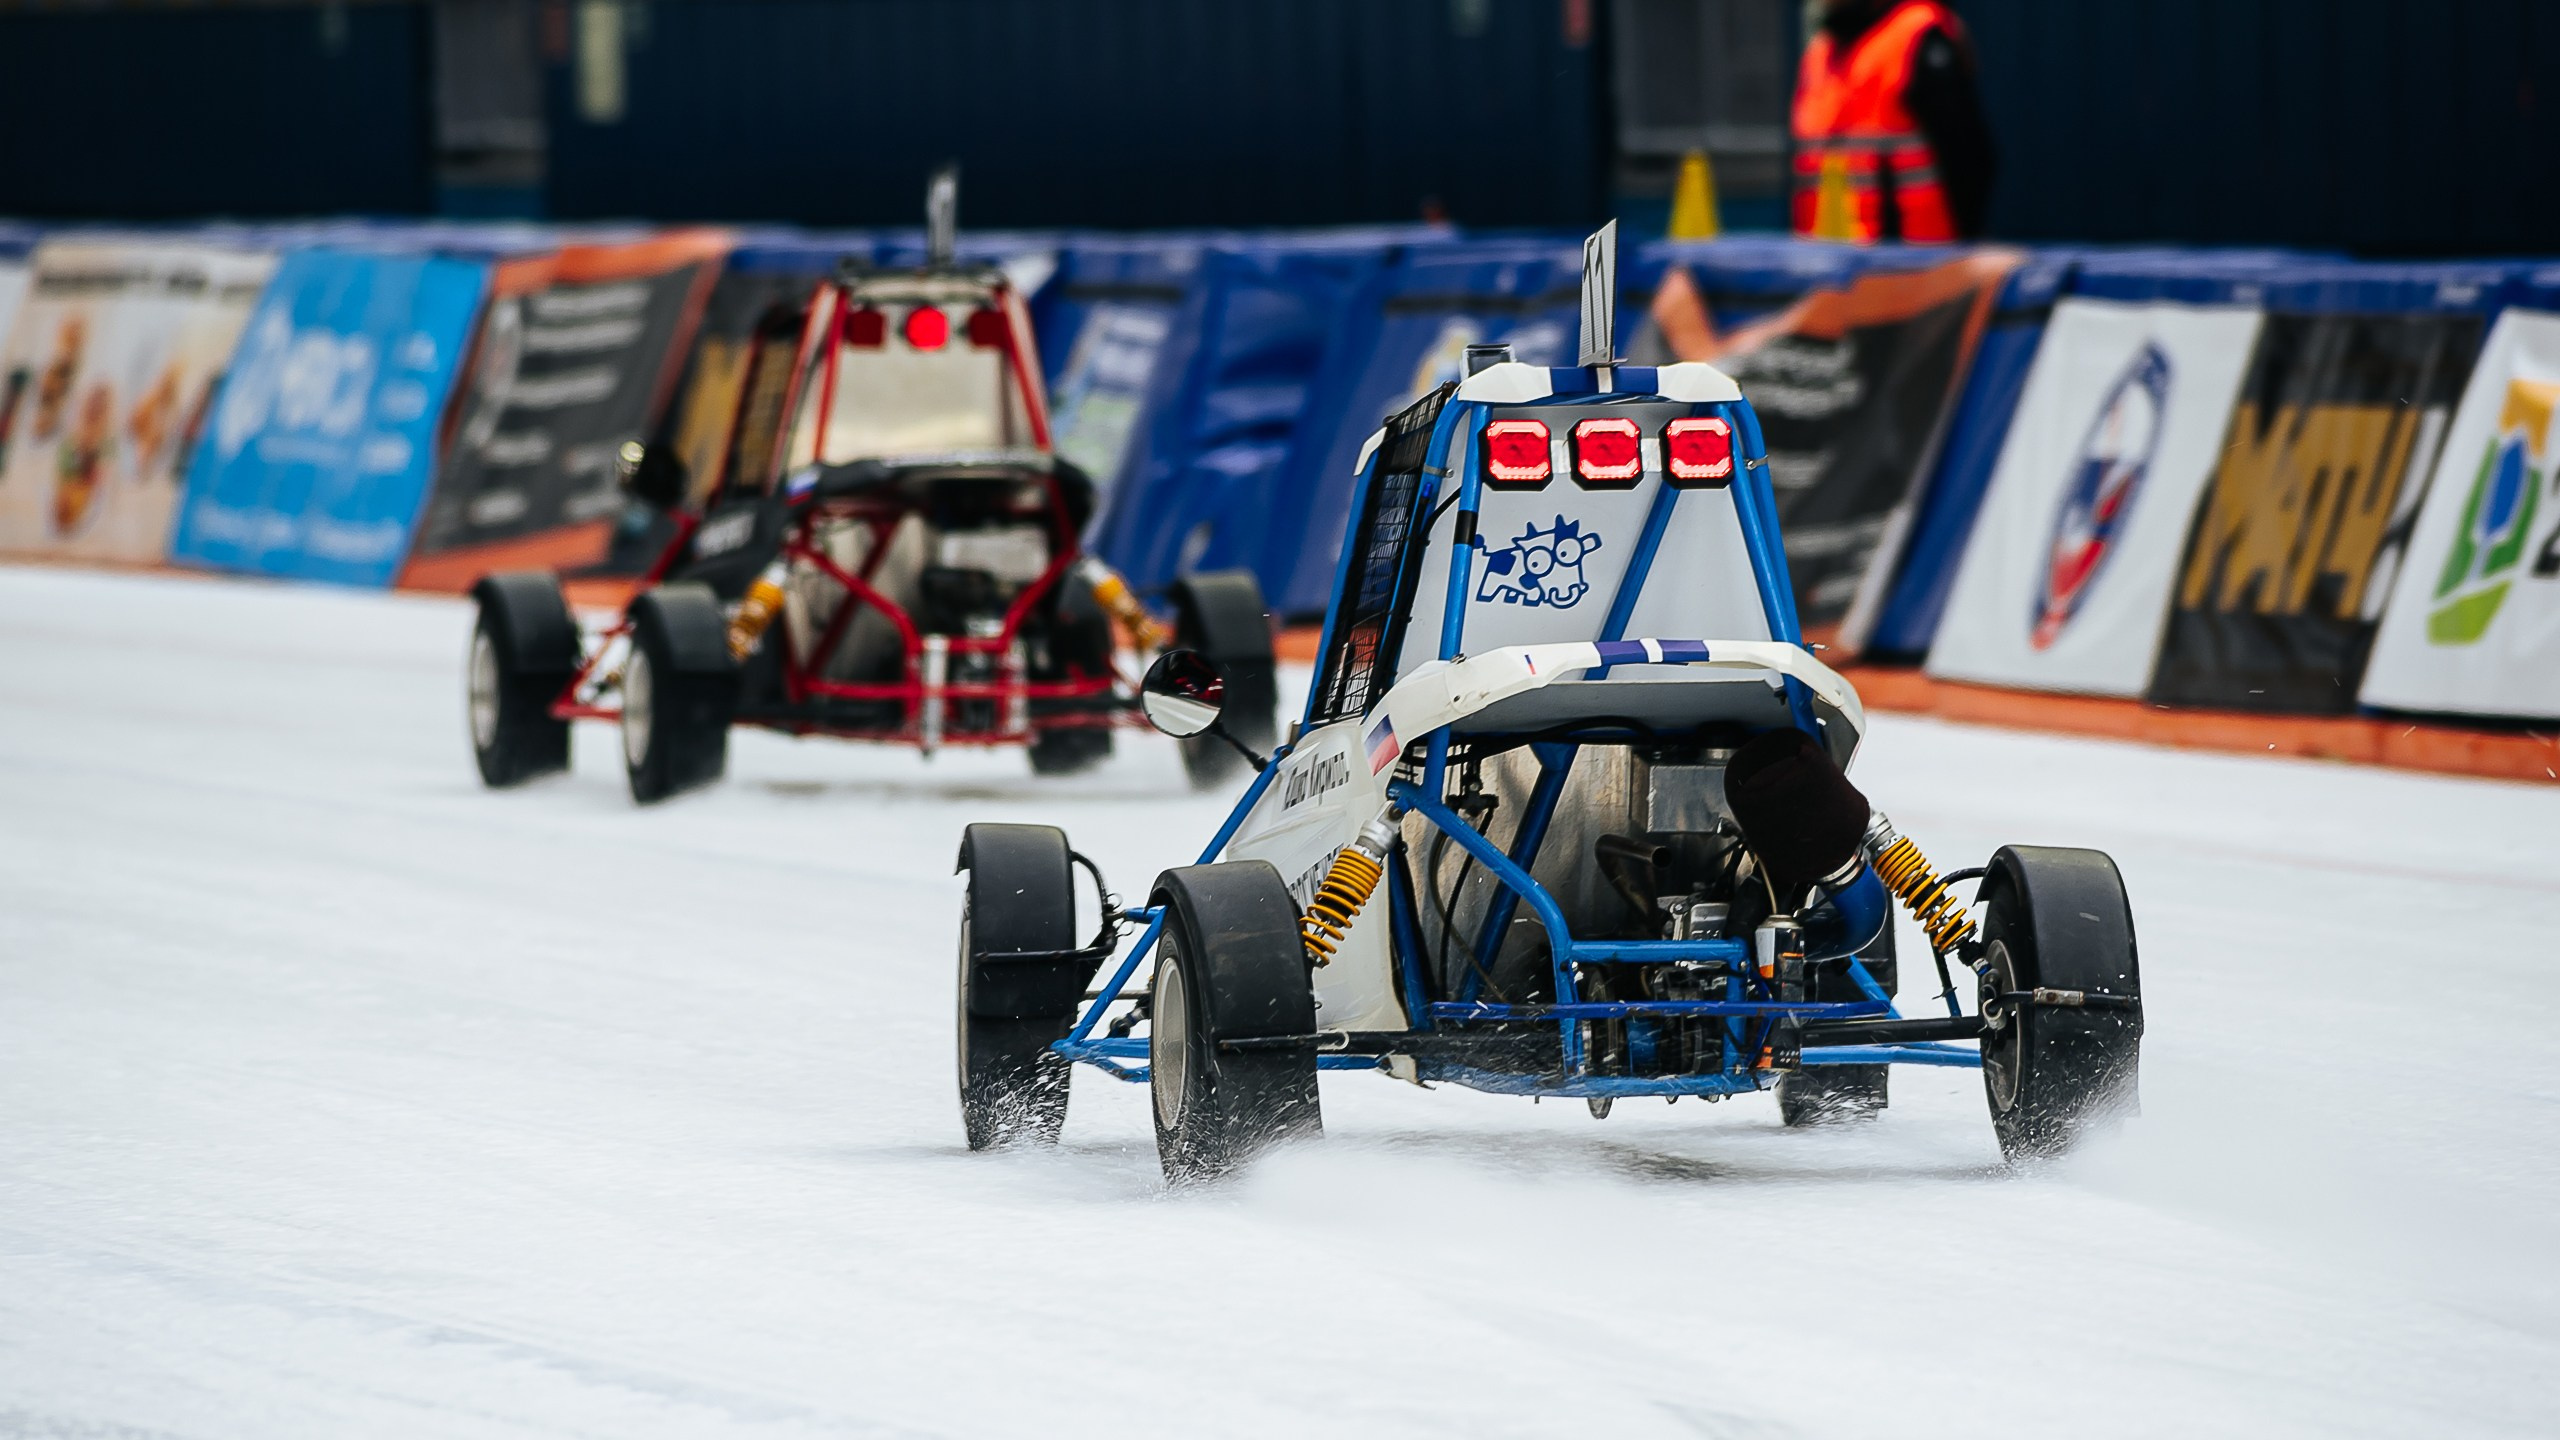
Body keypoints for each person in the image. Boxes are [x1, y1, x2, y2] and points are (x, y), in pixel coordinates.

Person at [1791, 0, 1996, 243]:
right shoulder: (1820, 53)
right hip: (1832, 268)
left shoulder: (1918, 34)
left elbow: (1968, 159)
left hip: (1915, 266)